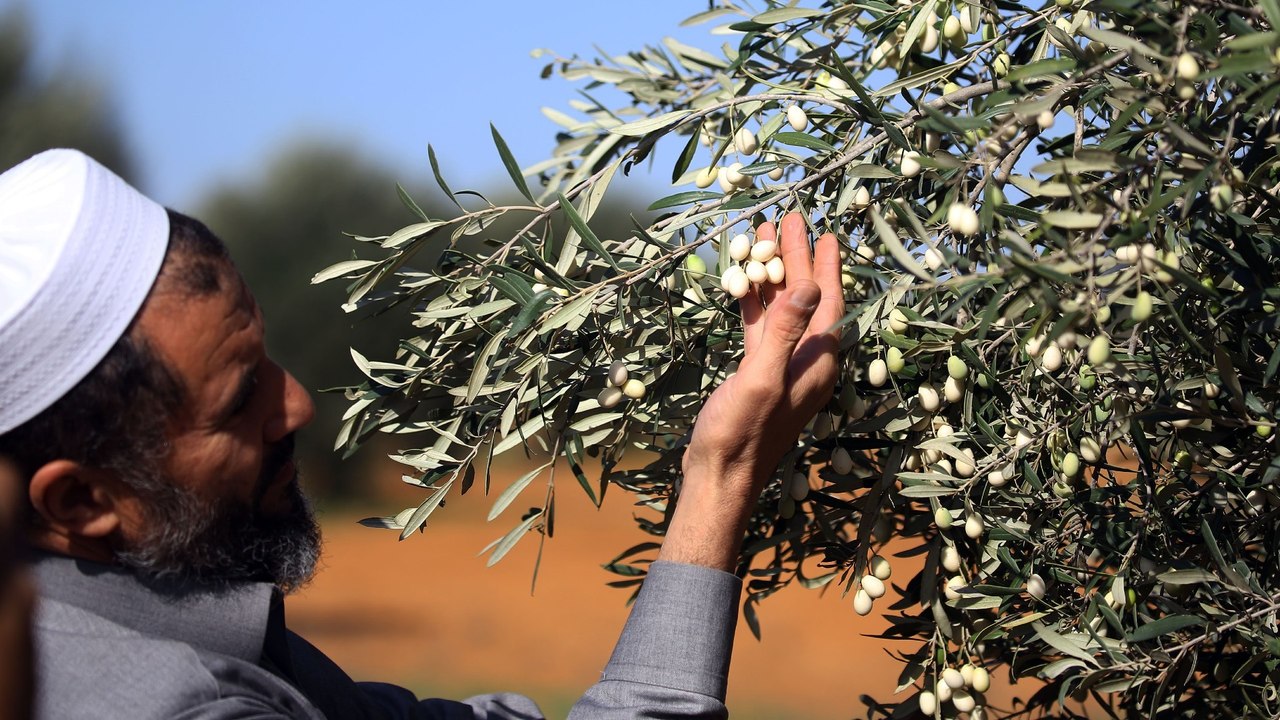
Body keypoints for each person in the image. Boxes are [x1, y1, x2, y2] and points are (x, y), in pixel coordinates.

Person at [0, 148, 843, 719]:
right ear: (80, 499)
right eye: (238, 400)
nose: (296, 407)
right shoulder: (172, 705)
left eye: (266, 359)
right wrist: (723, 475)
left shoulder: (181, 627)